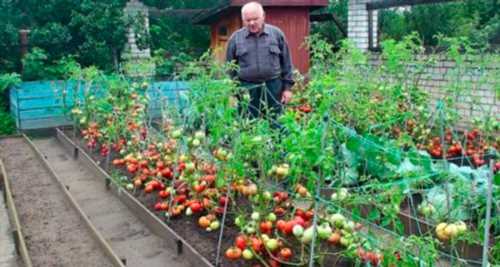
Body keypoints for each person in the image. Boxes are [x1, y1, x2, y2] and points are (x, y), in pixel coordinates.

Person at [226, 1, 294, 122]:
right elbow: (230, 69)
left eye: (255, 19)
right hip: (247, 88)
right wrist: (232, 93)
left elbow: (287, 63)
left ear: (263, 16)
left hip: (274, 87)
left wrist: (287, 89)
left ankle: (277, 140)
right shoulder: (235, 38)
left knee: (277, 122)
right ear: (243, 20)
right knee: (248, 124)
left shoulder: (276, 34)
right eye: (247, 20)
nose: (251, 23)